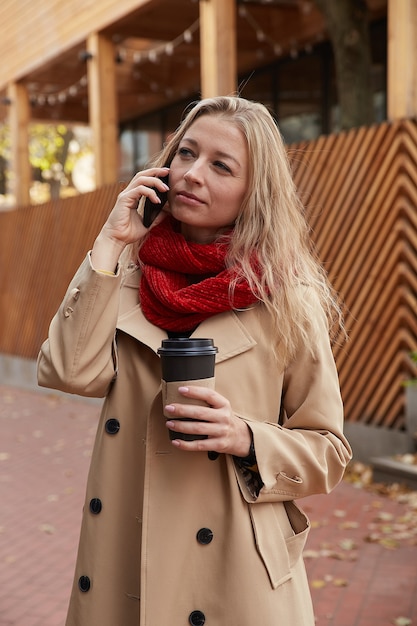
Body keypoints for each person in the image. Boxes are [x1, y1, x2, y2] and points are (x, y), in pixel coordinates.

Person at [37, 95, 352, 626]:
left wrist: (245, 436)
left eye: (220, 165)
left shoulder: (286, 298)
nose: (192, 174)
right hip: (125, 561)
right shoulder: (124, 273)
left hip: (233, 577)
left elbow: (330, 452)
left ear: (256, 191)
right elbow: (67, 371)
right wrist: (110, 243)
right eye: (186, 153)